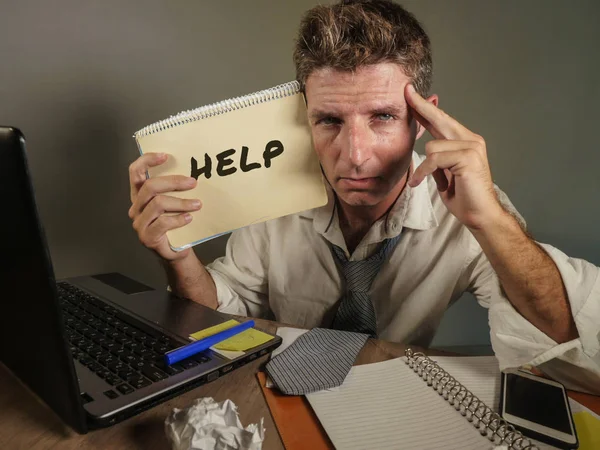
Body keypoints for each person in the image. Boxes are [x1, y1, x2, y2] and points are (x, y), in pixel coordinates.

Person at [128, 0, 599, 393]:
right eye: (329, 121)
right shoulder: (271, 192)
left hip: (396, 396)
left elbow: (575, 343)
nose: (354, 156)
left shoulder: (469, 204)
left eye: (383, 117)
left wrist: (490, 223)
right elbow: (220, 317)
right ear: (305, 117)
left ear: (424, 120)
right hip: (274, 394)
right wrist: (179, 258)